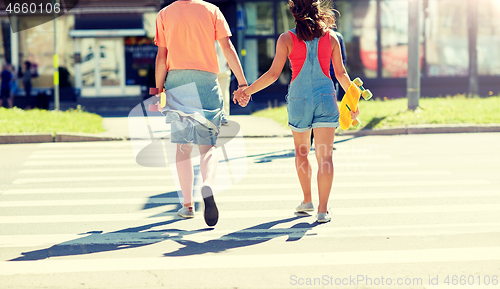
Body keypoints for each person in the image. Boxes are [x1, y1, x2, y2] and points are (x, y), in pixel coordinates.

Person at [234, 0, 359, 223]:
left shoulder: (286, 38)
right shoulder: (331, 38)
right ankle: (322, 210)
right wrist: (353, 103)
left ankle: (307, 200)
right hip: (325, 98)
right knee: (325, 156)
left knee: (302, 151)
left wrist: (247, 91)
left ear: (294, 12)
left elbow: (273, 75)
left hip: (299, 99)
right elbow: (341, 74)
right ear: (319, 11)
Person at [154, 0, 248, 226]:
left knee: (183, 147)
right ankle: (207, 184)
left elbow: (161, 56)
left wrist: (158, 91)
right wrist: (243, 83)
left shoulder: (165, 14)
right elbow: (227, 49)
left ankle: (187, 204)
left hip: (177, 82)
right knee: (208, 146)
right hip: (206, 81)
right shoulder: (212, 11)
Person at [215, 41, 231, 125]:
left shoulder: (224, 41)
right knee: (216, 95)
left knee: (224, 94)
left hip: (223, 71)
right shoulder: (208, 40)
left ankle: (224, 116)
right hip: (213, 72)